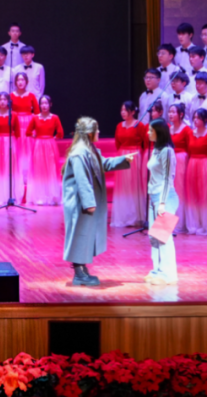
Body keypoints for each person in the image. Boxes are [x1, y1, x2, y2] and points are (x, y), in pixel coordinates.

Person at [63, 116, 134, 286]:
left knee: (85, 234)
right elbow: (82, 179)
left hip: (84, 201)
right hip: (79, 202)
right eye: (97, 130)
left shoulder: (89, 149)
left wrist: (123, 160)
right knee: (80, 234)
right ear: (89, 133)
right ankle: (78, 273)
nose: (99, 132)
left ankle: (82, 269)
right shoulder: (79, 152)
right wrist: (88, 202)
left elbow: (103, 164)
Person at [145, 119, 180, 285]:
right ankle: (157, 270)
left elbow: (167, 179)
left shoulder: (167, 151)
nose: (148, 133)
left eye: (151, 130)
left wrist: (162, 203)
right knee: (154, 237)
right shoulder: (156, 149)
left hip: (165, 197)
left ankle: (169, 274)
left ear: (159, 132)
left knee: (163, 237)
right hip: (154, 196)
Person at [108, 101, 149, 228]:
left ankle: (136, 216)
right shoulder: (119, 126)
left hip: (135, 157)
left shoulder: (139, 125)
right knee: (123, 187)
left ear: (133, 112)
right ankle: (124, 216)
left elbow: (145, 142)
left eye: (125, 110)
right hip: (123, 156)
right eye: (122, 110)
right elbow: (118, 143)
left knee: (134, 186)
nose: (123, 112)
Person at [183, 108, 207, 235]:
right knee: (193, 193)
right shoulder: (190, 133)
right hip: (192, 164)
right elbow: (189, 149)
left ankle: (206, 224)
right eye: (194, 118)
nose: (195, 120)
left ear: (205, 120)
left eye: (198, 118)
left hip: (205, 164)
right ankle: (194, 223)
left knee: (204, 193)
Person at [26, 95, 62, 206]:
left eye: (46, 103)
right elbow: (28, 132)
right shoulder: (35, 118)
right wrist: (36, 136)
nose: (44, 105)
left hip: (50, 145)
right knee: (39, 170)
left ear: (50, 104)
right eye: (42, 103)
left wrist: (52, 138)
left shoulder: (55, 117)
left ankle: (52, 196)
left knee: (51, 170)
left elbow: (60, 133)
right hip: (38, 145)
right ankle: (40, 196)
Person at [166, 103, 191, 233]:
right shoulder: (169, 128)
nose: (170, 114)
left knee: (179, 190)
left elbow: (190, 147)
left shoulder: (186, 130)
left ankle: (179, 222)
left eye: (173, 112)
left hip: (181, 160)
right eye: (169, 112)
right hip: (169, 160)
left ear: (181, 114)